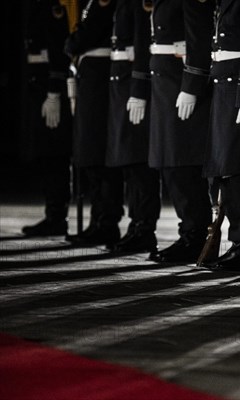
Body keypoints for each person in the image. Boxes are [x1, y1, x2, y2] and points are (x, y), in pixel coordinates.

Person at [199, 0, 240, 271]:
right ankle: (238, 240)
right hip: (223, 86)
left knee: (236, 169)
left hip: (237, 88)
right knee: (223, 170)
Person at [147, 0, 214, 263]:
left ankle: (195, 236)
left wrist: (192, 85)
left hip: (180, 84)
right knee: (170, 164)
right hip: (165, 86)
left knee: (182, 163)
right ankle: (189, 232)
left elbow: (198, 37)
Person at [65, 0, 124, 247]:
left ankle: (106, 222)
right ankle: (98, 219)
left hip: (99, 80)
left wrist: (73, 41)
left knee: (98, 153)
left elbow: (81, 39)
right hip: (91, 77)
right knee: (90, 155)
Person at [106, 0, 161, 254]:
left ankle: (144, 228)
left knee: (138, 164)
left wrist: (139, 89)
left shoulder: (138, 4)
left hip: (132, 85)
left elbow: (142, 43)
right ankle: (136, 224)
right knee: (129, 164)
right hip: (121, 85)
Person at [21, 0, 72, 237]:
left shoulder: (52, 5)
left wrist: (54, 90)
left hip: (50, 87)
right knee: (46, 154)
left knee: (55, 154)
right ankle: (53, 214)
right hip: (38, 86)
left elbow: (58, 47)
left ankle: (56, 216)